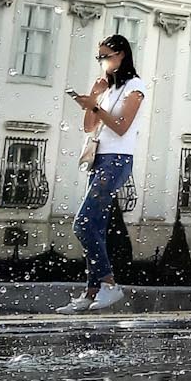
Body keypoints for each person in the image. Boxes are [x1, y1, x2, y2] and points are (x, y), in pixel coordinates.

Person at [62, 33, 146, 313]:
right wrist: (95, 96)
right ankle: (91, 293)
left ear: (121, 55)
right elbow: (89, 126)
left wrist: (95, 106)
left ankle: (109, 284)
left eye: (105, 56)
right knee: (94, 228)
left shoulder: (135, 86)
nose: (102, 62)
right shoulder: (109, 89)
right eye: (99, 57)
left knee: (82, 224)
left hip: (117, 160)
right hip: (99, 160)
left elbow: (121, 126)